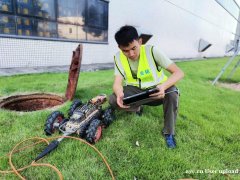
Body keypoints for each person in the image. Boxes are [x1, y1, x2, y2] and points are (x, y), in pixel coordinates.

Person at [108, 25, 184, 148]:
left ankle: (169, 133)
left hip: (157, 91)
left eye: (134, 48)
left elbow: (179, 72)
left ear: (140, 41)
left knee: (173, 92)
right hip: (136, 92)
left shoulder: (152, 51)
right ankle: (137, 107)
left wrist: (163, 87)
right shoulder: (118, 57)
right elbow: (117, 83)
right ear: (119, 48)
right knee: (112, 100)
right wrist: (119, 92)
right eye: (125, 51)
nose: (131, 54)